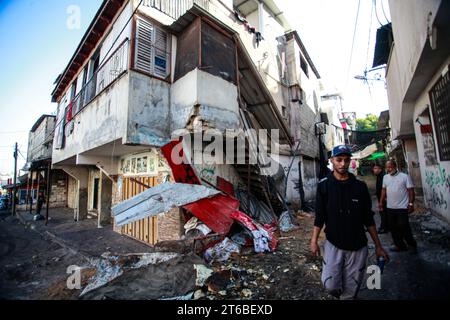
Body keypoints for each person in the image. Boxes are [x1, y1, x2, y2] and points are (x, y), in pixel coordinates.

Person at [310, 145, 389, 300]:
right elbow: (320, 216)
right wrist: (314, 240)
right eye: (339, 160)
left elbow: (368, 219)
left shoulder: (360, 187)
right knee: (330, 285)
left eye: (346, 160)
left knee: (351, 291)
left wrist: (378, 246)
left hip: (357, 246)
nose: (342, 164)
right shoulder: (324, 186)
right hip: (333, 243)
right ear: (332, 160)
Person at [378, 160, 417, 253]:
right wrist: (380, 202)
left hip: (402, 207)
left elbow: (411, 191)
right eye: (387, 167)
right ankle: (399, 245)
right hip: (390, 207)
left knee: (404, 226)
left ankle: (412, 245)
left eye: (391, 167)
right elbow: (383, 190)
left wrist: (411, 204)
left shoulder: (404, 176)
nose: (389, 169)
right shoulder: (385, 177)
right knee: (393, 227)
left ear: (395, 166)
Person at [373, 164, 388, 234]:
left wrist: (382, 200)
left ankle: (384, 228)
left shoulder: (382, 177)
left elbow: (384, 189)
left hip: (384, 198)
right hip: (381, 198)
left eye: (376, 168)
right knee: (383, 212)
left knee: (383, 213)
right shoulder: (379, 176)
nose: (374, 170)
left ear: (380, 169)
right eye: (374, 168)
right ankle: (384, 227)